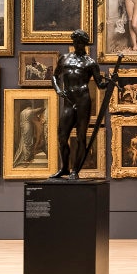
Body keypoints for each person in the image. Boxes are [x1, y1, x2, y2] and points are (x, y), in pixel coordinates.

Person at [50, 29, 108, 180]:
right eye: (76, 42)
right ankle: (64, 168)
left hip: (83, 101)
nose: (78, 45)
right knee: (62, 137)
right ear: (73, 42)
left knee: (81, 137)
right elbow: (55, 77)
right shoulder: (64, 59)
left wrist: (110, 81)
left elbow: (100, 85)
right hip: (68, 101)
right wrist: (57, 89)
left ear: (85, 44)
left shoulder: (90, 63)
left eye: (81, 42)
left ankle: (75, 170)